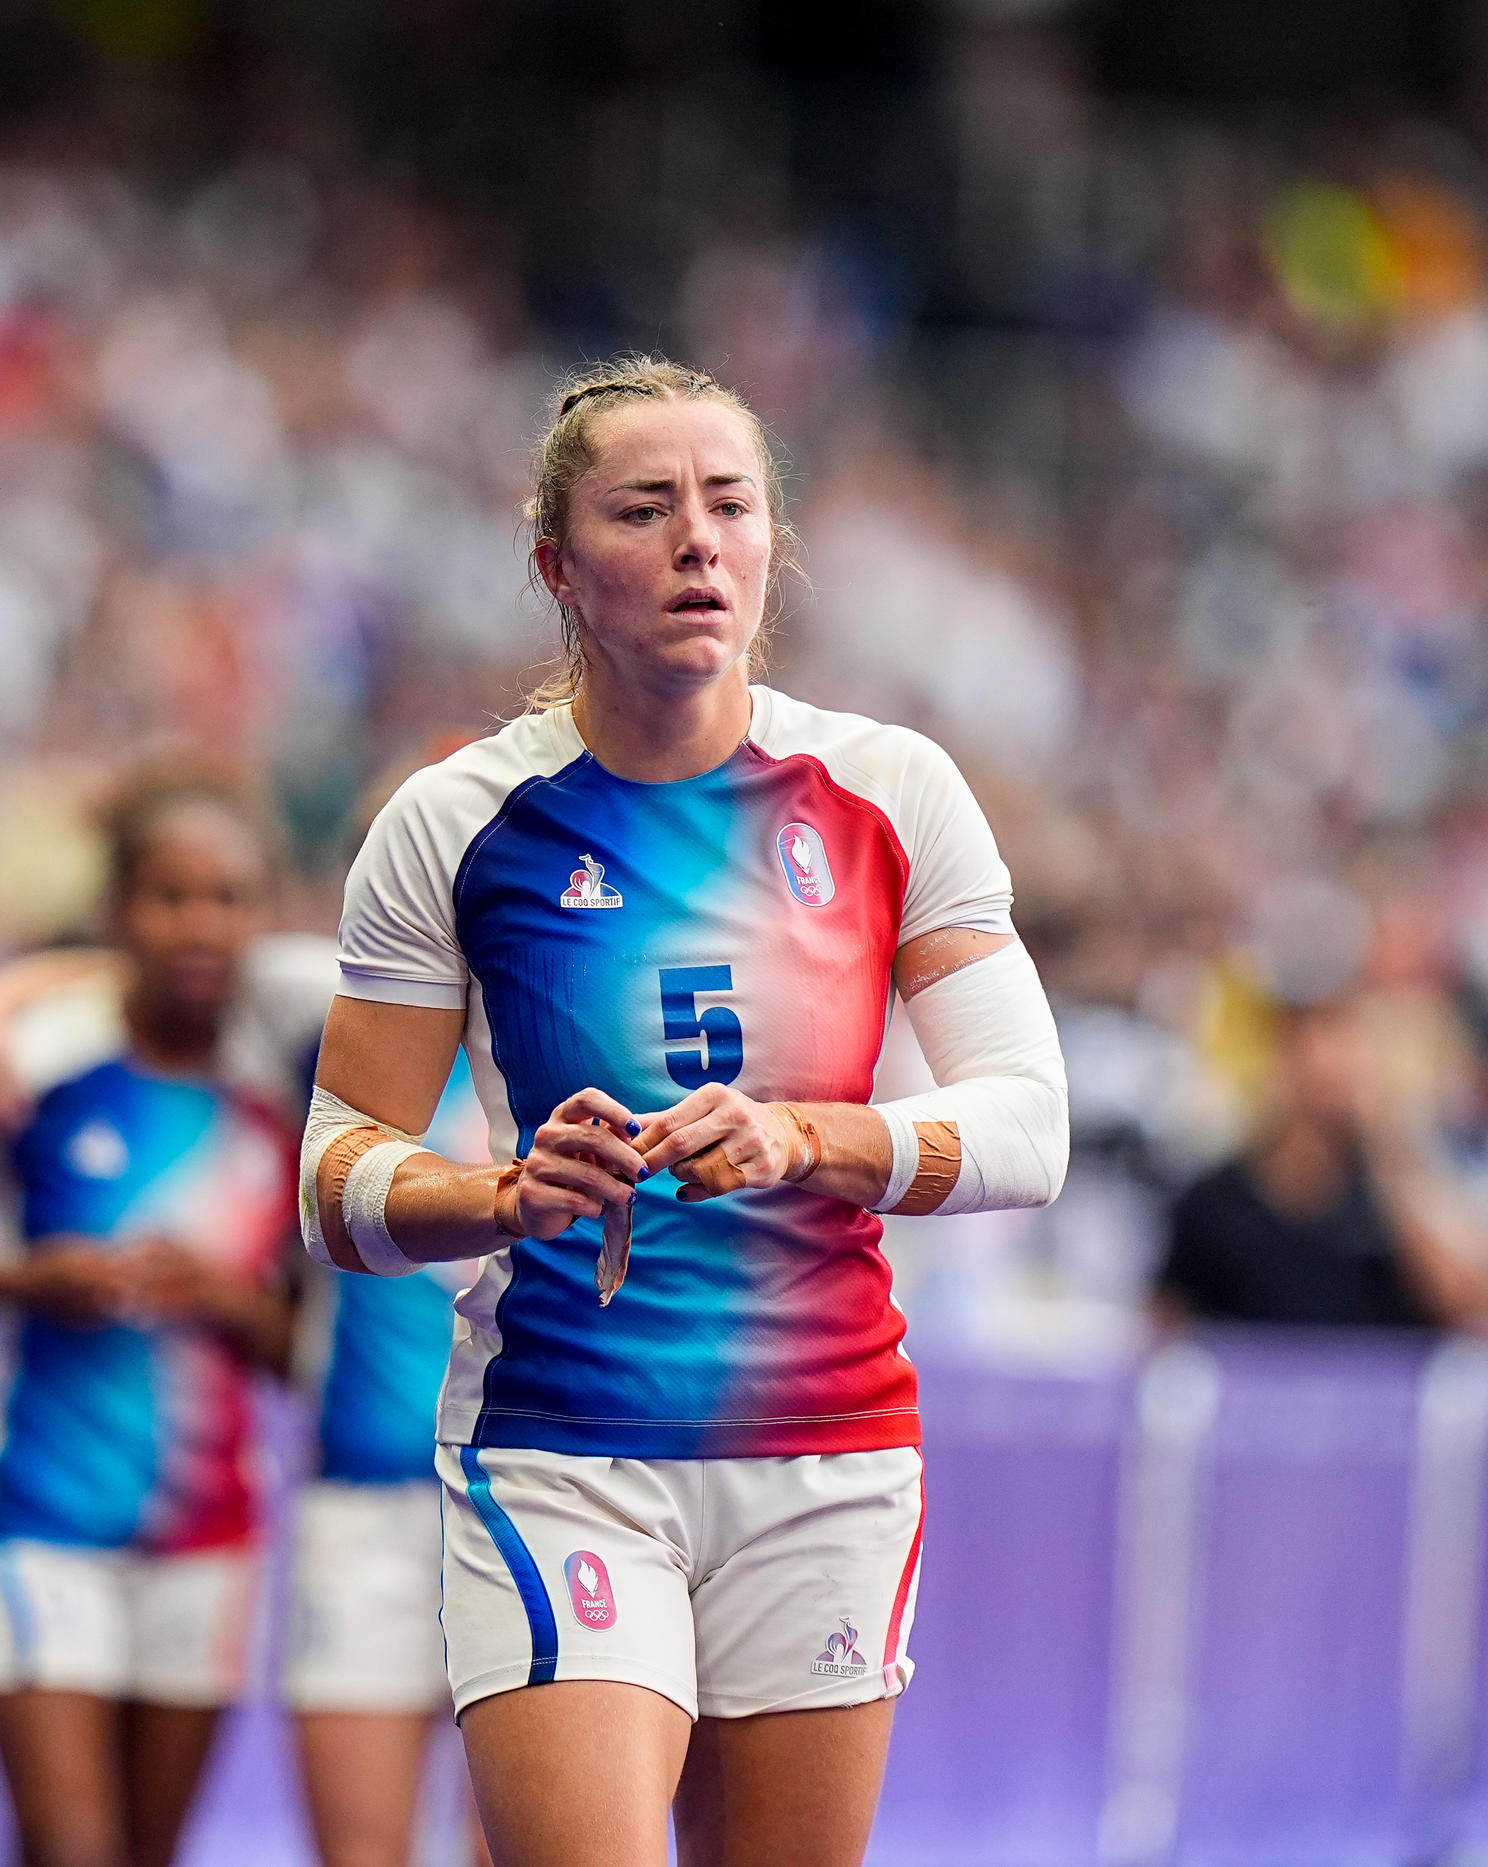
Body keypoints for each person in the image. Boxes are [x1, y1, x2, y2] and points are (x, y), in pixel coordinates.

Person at [301, 358, 1069, 1867]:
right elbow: (334, 1181)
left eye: (730, 504)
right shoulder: (457, 819)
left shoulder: (889, 789)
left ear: (775, 542)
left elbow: (1032, 1127)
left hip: (827, 1446)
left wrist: (810, 1135)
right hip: (561, 1442)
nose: (696, 542)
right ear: (557, 567)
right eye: (642, 510)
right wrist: (501, 1192)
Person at [0, 755, 496, 1867]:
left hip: (542, 1487)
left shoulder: (587, 1016)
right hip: (365, 1502)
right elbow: (157, 957)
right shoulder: (328, 1008)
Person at [0, 773, 299, 1867]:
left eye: (229, 898)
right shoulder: (35, 1065)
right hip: (32, 1520)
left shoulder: (290, 1087)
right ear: (115, 913)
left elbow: (304, 1348)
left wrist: (225, 1302)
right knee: (70, 1848)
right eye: (169, 897)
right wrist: (20, 1278)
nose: (200, 925)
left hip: (207, 1535)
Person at [1156, 991, 1486, 1332]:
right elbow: (1166, 1323)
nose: (1335, 1070)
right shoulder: (1215, 1203)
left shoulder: (1387, 1193)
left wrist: (1387, 1148)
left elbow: (1460, 1303)